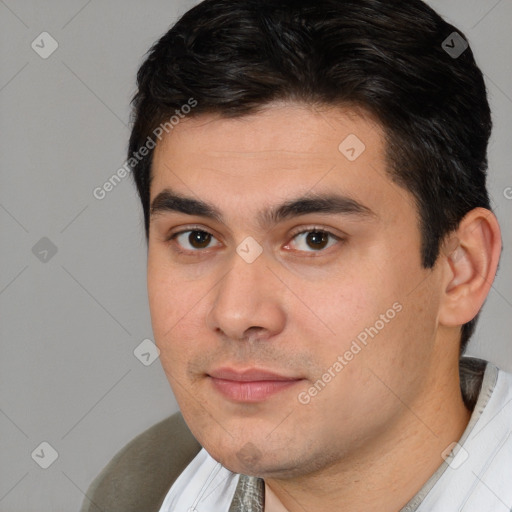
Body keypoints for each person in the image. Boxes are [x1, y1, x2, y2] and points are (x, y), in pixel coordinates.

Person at [81, 0, 510, 511]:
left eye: (314, 239)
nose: (236, 314)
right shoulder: (143, 488)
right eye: (197, 237)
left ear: (462, 269)